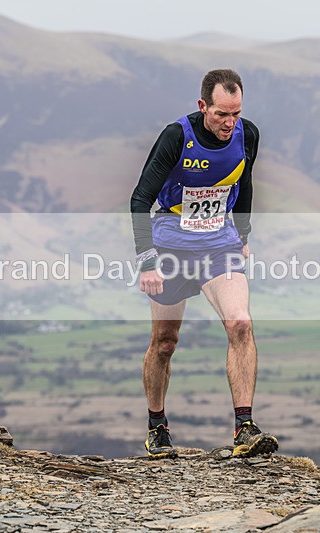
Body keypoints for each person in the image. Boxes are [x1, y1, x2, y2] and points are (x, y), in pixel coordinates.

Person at [130, 69, 278, 459]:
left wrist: (242, 235)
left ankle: (245, 427)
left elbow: (244, 183)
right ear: (203, 106)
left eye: (236, 113)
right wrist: (147, 261)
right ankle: (157, 427)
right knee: (165, 342)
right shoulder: (176, 136)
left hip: (218, 246)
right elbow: (140, 199)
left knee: (240, 323)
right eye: (221, 114)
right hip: (171, 247)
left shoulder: (248, 135)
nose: (230, 123)